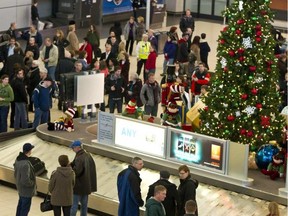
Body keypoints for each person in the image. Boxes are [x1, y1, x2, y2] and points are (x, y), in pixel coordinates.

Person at [70, 140, 97, 216]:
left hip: (78, 187)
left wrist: (70, 168)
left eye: (73, 148)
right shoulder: (88, 155)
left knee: (74, 206)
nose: (72, 149)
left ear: (78, 148)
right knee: (84, 206)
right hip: (86, 186)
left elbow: (77, 172)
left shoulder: (79, 158)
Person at [14, 143, 36, 216]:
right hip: (26, 190)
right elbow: (25, 180)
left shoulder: (18, 159)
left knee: (20, 206)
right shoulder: (25, 164)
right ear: (29, 151)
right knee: (25, 209)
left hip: (20, 188)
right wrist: (32, 183)